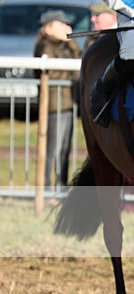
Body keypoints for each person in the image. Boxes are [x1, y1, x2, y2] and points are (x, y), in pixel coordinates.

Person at [33, 10, 81, 190]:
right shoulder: (45, 47)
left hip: (67, 103)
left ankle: (60, 186)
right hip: (55, 104)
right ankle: (45, 187)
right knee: (52, 149)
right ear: (49, 27)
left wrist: (72, 43)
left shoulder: (64, 46)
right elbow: (53, 74)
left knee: (63, 149)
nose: (66, 28)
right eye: (61, 24)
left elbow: (79, 67)